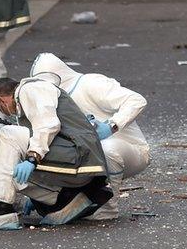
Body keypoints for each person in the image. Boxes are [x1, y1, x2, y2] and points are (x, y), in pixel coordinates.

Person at [0, 76, 112, 230]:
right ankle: (61, 198)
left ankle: (0, 207)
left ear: (2, 101)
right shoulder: (32, 98)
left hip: (78, 155)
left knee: (7, 134)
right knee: (11, 174)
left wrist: (32, 158)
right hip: (79, 162)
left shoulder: (31, 89)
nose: (6, 113)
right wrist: (36, 195)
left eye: (0, 108)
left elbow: (48, 125)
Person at [28, 53, 149, 220]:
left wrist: (111, 126)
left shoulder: (90, 84)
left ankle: (108, 209)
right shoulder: (51, 98)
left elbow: (137, 100)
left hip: (128, 150)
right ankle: (77, 200)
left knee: (106, 149)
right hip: (89, 157)